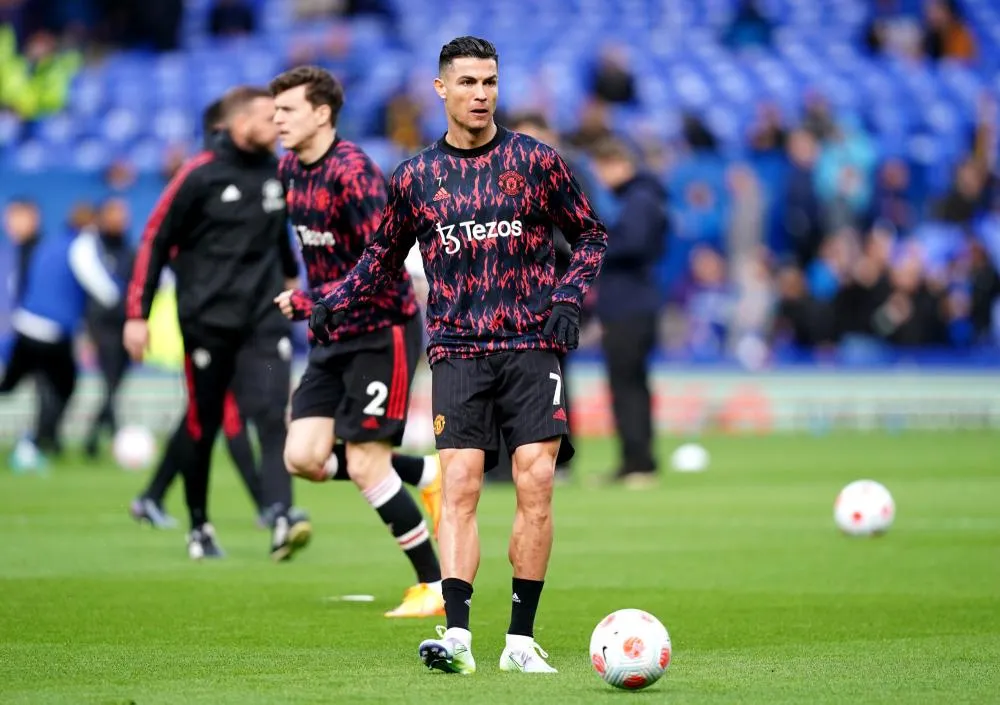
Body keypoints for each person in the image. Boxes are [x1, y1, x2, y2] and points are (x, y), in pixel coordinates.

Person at [308, 37, 607, 672]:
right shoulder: (416, 178)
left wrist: (568, 298)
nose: (481, 94)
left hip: (532, 344)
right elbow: (382, 257)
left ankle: (521, 642)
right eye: (468, 82)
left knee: (537, 481)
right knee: (463, 486)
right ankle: (459, 637)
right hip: (456, 349)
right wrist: (335, 298)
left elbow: (590, 233)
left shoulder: (537, 162)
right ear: (440, 89)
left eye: (491, 82)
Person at [269, 65, 445, 617]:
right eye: (275, 111)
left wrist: (316, 301)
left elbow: (384, 261)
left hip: (380, 328)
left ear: (322, 113)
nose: (277, 120)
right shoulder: (289, 168)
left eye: (287, 110)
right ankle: (422, 473)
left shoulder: (355, 172)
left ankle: (434, 587)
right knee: (302, 457)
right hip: (332, 329)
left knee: (368, 464)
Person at [123, 85, 309, 560]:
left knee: (271, 413)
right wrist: (136, 315)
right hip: (208, 323)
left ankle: (283, 516)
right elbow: (155, 240)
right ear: (239, 123)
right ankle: (199, 525)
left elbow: (277, 230)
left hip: (264, 319)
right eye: (270, 117)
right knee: (202, 423)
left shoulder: (278, 171)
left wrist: (291, 273)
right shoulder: (199, 175)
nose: (279, 125)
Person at [2, 198, 120, 464]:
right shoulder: (83, 244)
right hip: (50, 331)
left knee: (23, 385)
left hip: (28, 325)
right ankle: (39, 442)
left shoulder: (52, 243)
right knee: (61, 386)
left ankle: (43, 441)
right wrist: (125, 300)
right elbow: (100, 285)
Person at [589, 136, 669, 487]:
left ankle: (638, 462)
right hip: (632, 303)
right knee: (630, 384)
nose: (602, 176)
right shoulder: (642, 197)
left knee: (627, 385)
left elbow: (633, 243)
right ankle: (636, 460)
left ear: (619, 164)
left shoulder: (639, 199)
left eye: (604, 168)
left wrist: (594, 246)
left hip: (629, 306)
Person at [83, 198, 135, 458]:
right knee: (111, 382)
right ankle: (100, 437)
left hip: (125, 326)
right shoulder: (94, 248)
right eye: (115, 214)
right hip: (103, 327)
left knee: (114, 384)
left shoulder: (128, 248)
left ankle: (97, 436)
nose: (120, 219)